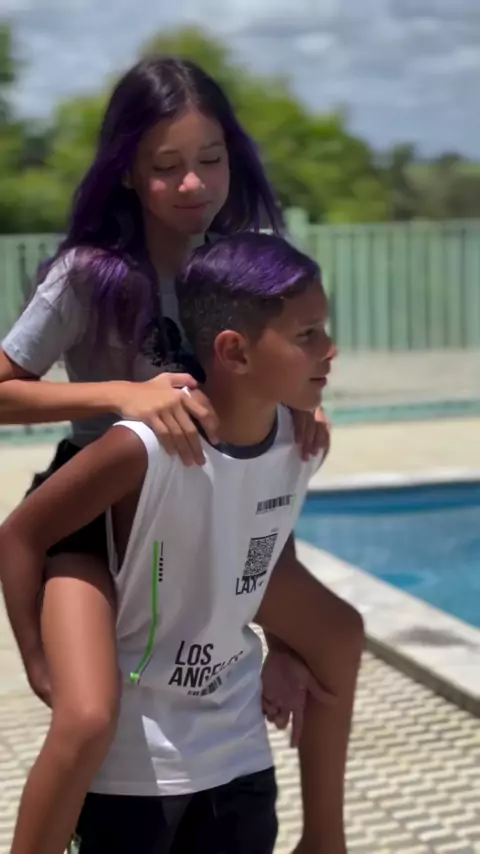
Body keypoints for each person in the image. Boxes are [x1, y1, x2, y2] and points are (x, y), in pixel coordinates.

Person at [0, 57, 363, 854]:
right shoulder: (89, 275)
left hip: (213, 510)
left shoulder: (239, 261)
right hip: (100, 508)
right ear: (128, 171)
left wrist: (301, 403)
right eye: (166, 166)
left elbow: (270, 374)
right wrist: (118, 395)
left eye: (211, 159)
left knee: (337, 635)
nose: (193, 183)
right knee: (87, 716)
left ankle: (325, 839)